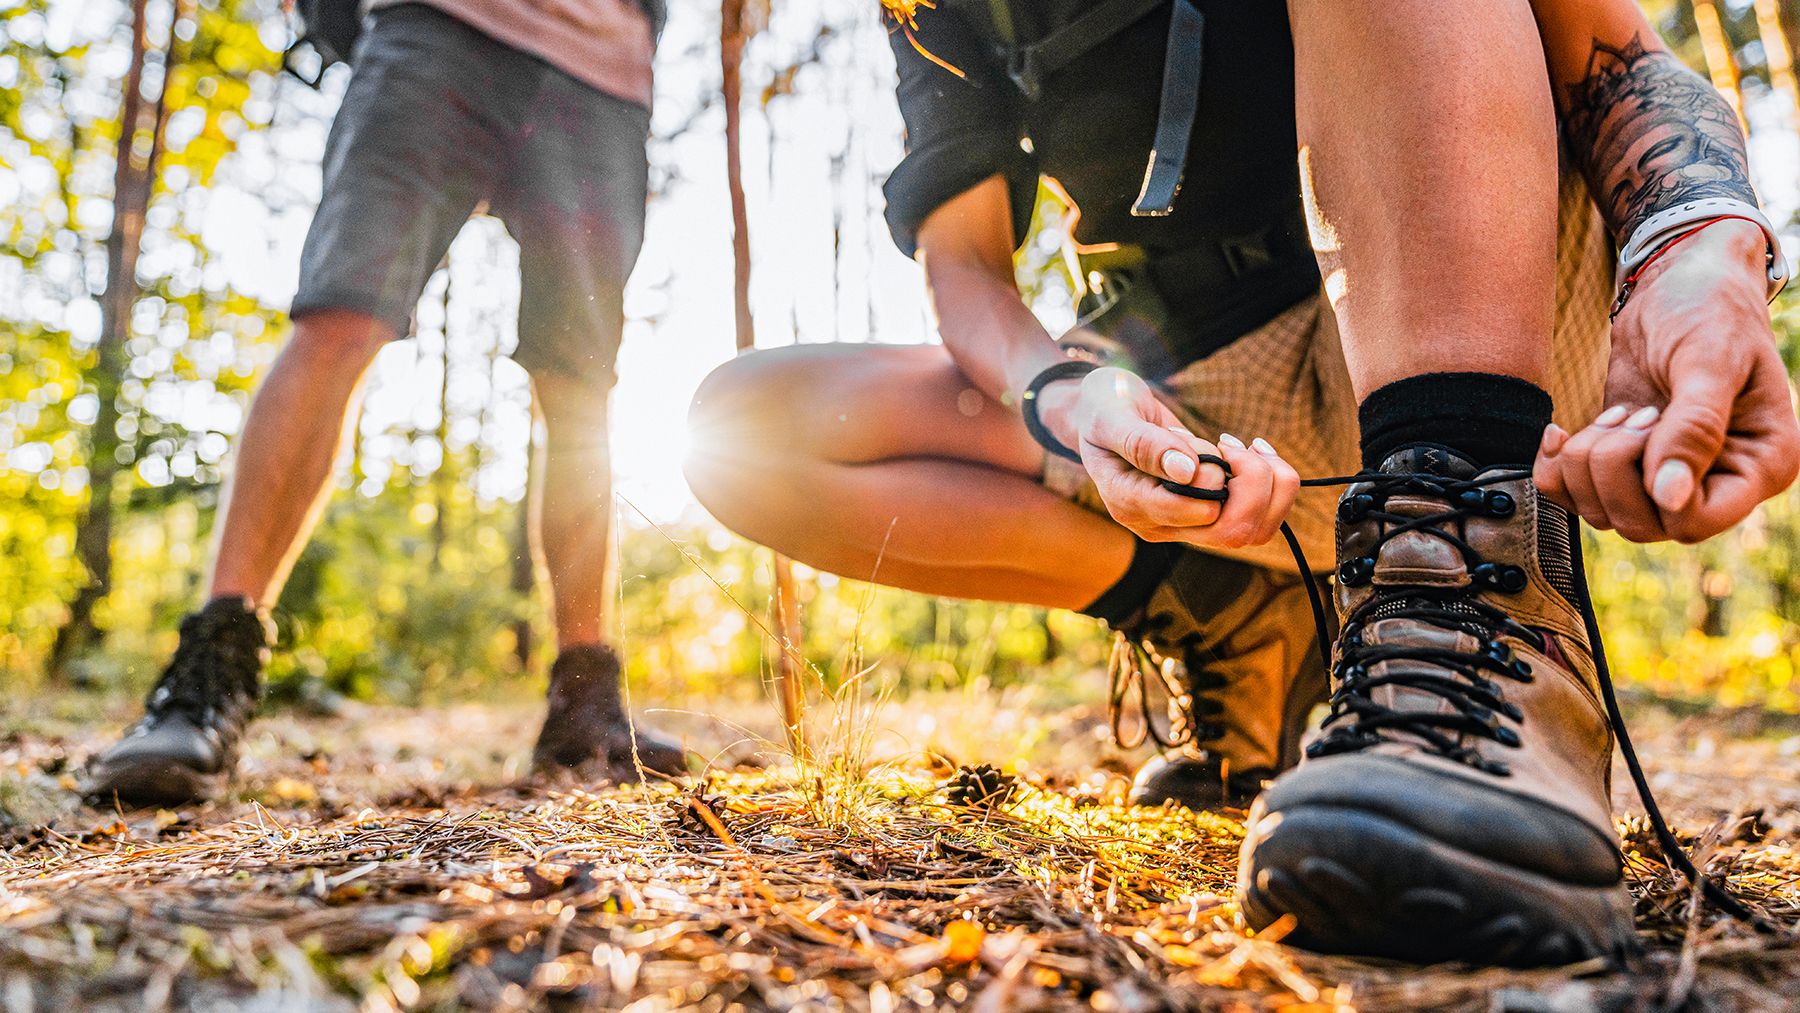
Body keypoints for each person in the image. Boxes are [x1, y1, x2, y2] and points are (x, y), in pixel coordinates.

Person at [685, 0, 1796, 965]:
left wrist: (1696, 247)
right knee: (744, 430)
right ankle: (1229, 611)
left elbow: (1614, 56)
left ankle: (1478, 601)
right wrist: (1064, 394)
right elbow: (964, 268)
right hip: (1201, 382)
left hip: (1504, 302)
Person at [86, 0, 686, 806]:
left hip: (605, 76)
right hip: (435, 30)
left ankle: (586, 695)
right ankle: (211, 668)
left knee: (581, 387)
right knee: (340, 314)